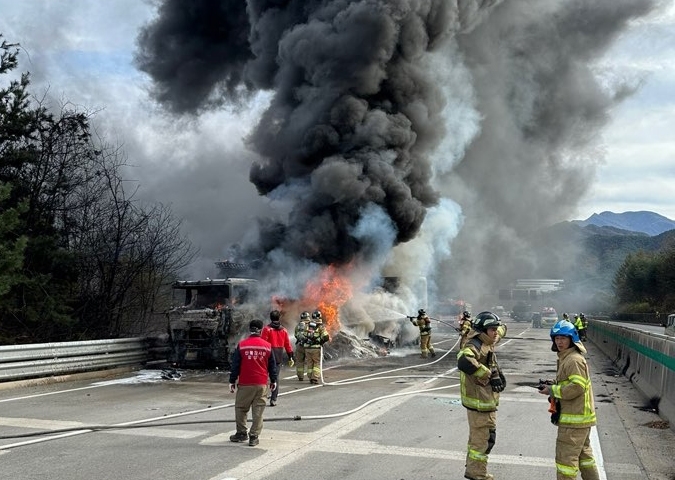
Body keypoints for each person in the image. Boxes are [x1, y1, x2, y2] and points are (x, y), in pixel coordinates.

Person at [538, 320, 600, 480]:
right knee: (584, 458)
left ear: (571, 338)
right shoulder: (569, 357)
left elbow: (577, 387)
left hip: (574, 422)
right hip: (580, 420)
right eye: (557, 338)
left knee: (566, 462)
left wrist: (552, 390)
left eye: (563, 338)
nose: (559, 342)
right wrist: (554, 385)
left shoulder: (573, 360)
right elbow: (572, 383)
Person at [456, 311, 507, 480]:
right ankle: (477, 474)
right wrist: (488, 374)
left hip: (485, 401)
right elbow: (464, 360)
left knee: (481, 438)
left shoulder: (488, 339)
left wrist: (502, 327)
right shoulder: (474, 345)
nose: (495, 332)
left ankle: (474, 469)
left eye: (496, 329)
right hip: (480, 403)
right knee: (483, 440)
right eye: (492, 329)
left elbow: (500, 333)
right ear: (482, 331)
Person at [228, 319, 277, 447]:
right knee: (258, 411)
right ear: (261, 330)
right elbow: (272, 366)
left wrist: (232, 381)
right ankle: (254, 437)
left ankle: (241, 433)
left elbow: (235, 365)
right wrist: (274, 380)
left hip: (245, 383)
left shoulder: (242, 345)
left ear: (250, 330)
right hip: (261, 384)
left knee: (241, 408)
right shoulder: (267, 346)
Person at [261, 309, 294, 406]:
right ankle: (274, 399)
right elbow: (288, 345)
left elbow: (262, 343)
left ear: (270, 318)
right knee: (275, 378)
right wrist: (290, 356)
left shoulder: (267, 329)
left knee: (263, 377)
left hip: (267, 357)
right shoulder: (283, 330)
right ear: (279, 318)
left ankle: (262, 397)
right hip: (278, 357)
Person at [303, 310, 330, 384]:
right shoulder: (320, 326)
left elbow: (303, 335)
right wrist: (320, 341)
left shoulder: (307, 325)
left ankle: (310, 376)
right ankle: (314, 378)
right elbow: (326, 337)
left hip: (307, 348)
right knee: (316, 363)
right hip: (316, 348)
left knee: (309, 363)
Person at [294, 311, 311, 381]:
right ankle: (311, 377)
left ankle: (300, 376)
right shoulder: (311, 325)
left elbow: (295, 334)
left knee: (300, 361)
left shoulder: (298, 326)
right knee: (310, 361)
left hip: (299, 346)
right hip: (308, 346)